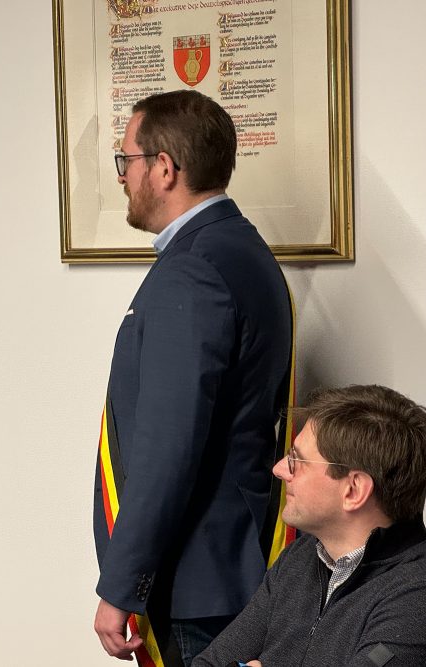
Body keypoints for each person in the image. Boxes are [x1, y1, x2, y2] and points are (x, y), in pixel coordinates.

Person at [92, 90, 294, 665]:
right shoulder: (241, 248)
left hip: (195, 577)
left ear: (163, 168)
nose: (123, 177)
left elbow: (167, 447)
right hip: (231, 561)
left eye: (126, 161)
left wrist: (122, 585)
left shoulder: (193, 271)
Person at [194, 384, 426, 667]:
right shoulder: (302, 555)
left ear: (354, 490)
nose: (279, 469)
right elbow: (209, 663)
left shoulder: (416, 597)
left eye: (296, 460)